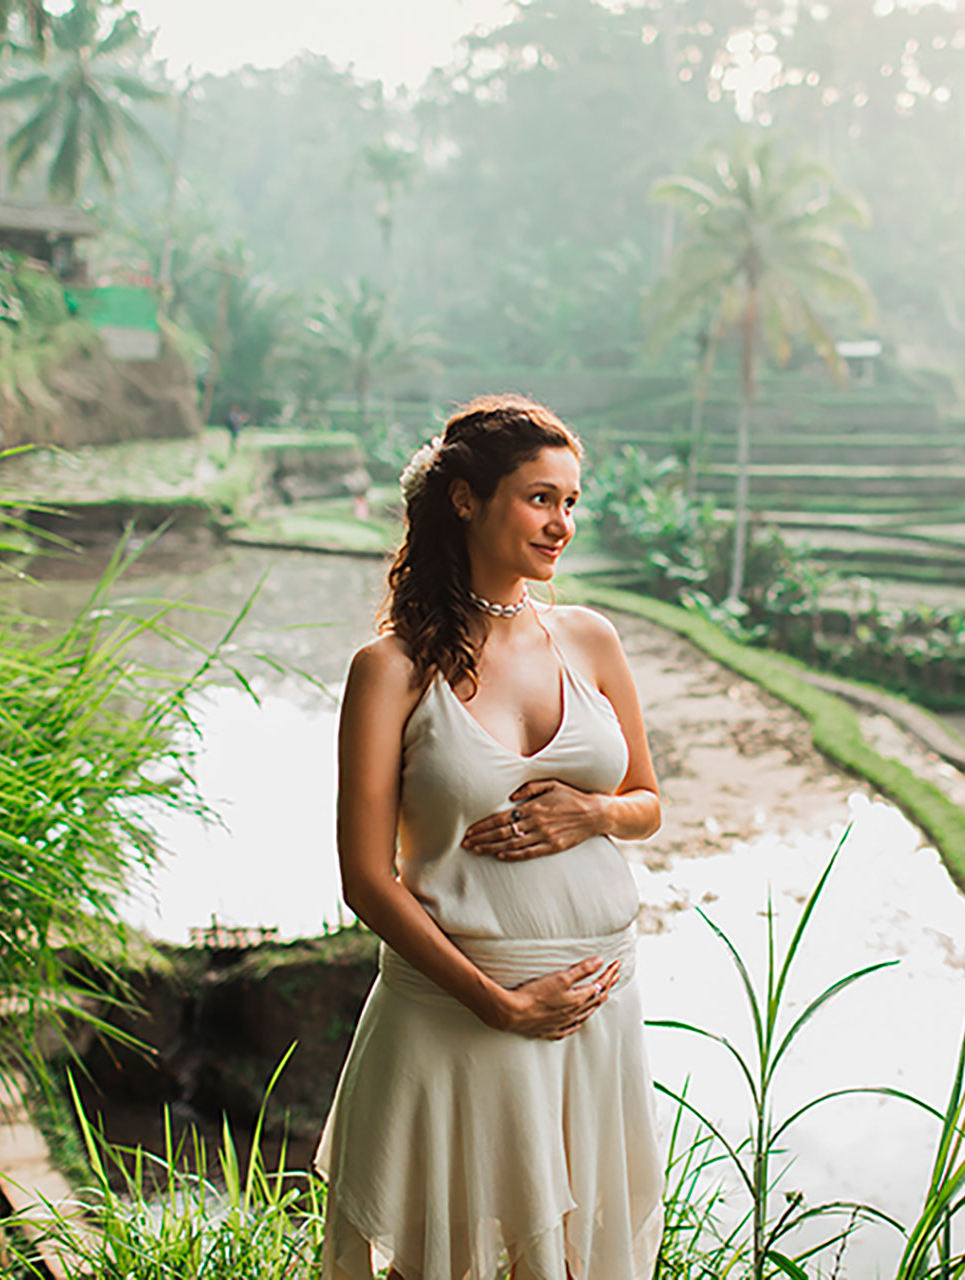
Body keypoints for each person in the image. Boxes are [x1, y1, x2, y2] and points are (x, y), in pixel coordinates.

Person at [314, 394, 665, 1280]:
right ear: (466, 498)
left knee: (572, 1262)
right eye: (540, 499)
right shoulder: (390, 670)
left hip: (596, 1012)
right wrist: (497, 1004)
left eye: (571, 503)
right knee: (437, 1264)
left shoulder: (589, 638)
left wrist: (593, 812)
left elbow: (647, 801)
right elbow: (365, 878)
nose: (562, 525)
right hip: (460, 1019)